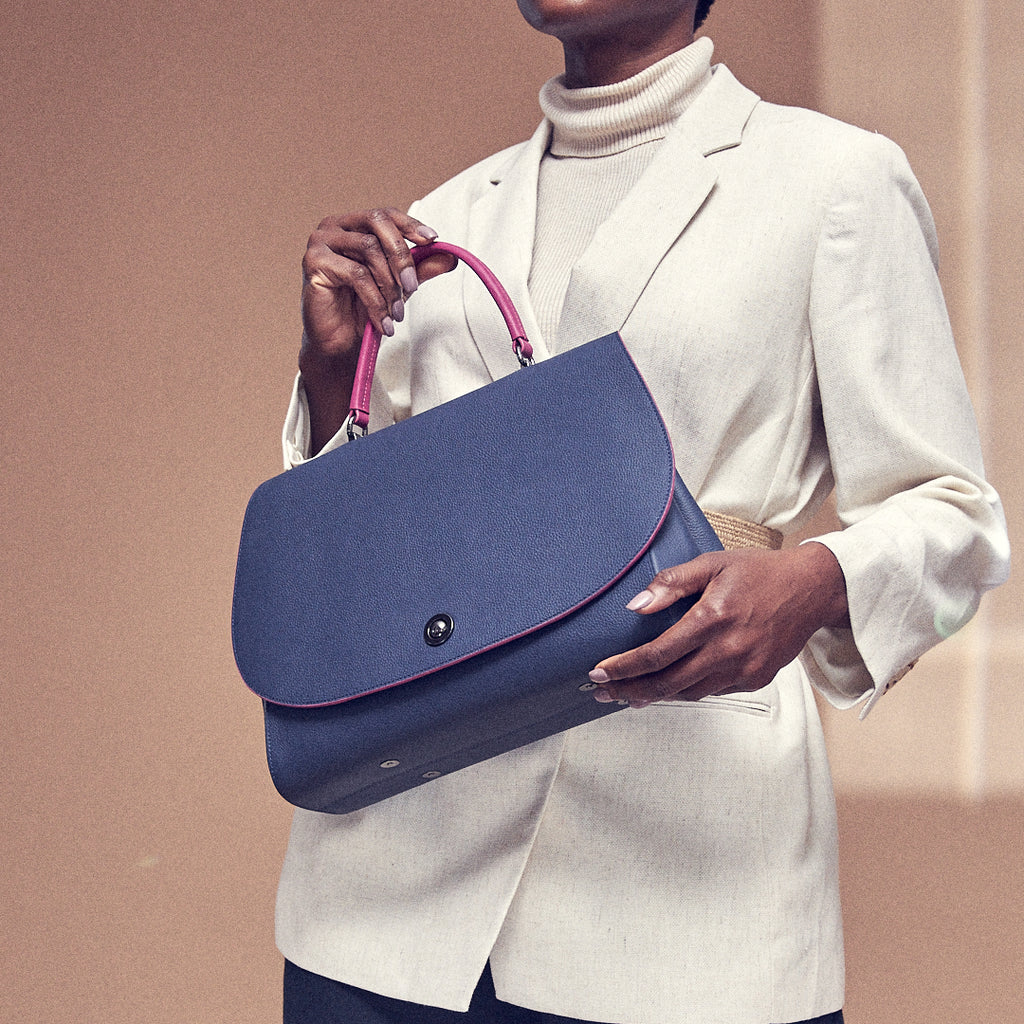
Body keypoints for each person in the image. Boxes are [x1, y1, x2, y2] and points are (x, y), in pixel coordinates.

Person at [274, 1, 1010, 1022]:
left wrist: (812, 582)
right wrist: (327, 370)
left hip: (681, 890)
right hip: (387, 908)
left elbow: (958, 519)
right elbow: (362, 551)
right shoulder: (443, 222)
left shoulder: (833, 180)